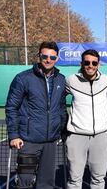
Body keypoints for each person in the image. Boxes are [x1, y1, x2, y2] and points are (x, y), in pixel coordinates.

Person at [5, 41, 67, 189]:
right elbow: (12, 107)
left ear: (57, 59)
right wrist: (14, 135)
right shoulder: (23, 78)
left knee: (46, 184)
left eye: (52, 57)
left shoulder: (61, 79)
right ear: (39, 56)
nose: (48, 60)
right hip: (28, 141)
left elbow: (61, 107)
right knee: (24, 182)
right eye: (45, 56)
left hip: (50, 141)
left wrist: (62, 130)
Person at [65, 49, 107, 189]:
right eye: (87, 62)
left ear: (98, 64)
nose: (90, 65)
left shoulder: (106, 80)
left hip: (100, 136)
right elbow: (56, 99)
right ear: (82, 63)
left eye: (94, 63)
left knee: (98, 179)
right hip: (77, 137)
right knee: (74, 179)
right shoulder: (71, 80)